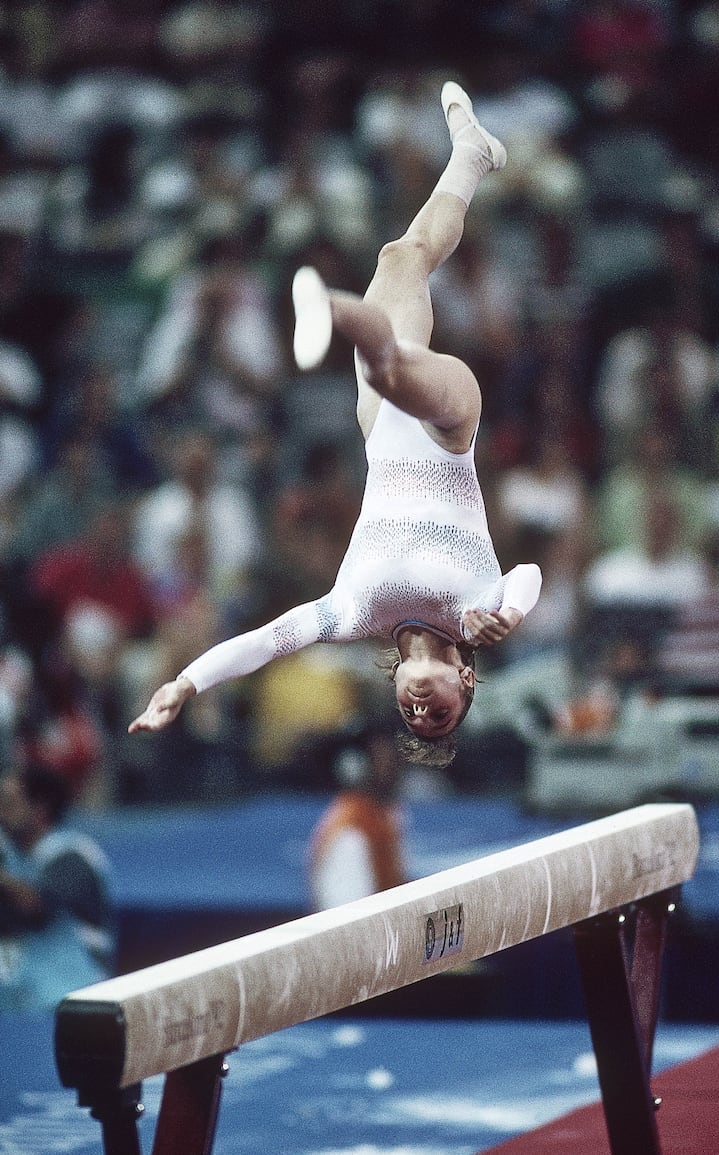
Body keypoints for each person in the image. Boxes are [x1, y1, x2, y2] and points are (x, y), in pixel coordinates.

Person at [129, 82, 542, 765]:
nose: (420, 710)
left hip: (380, 430)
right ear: (467, 679)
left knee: (398, 259)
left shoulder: (356, 613)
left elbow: (267, 639)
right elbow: (527, 570)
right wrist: (512, 614)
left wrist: (184, 681)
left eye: (412, 716)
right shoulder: (479, 608)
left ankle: (470, 156)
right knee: (393, 364)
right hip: (448, 429)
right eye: (439, 716)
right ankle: (327, 303)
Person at [0, 761, 114, 1012]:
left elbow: (37, 907)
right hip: (17, 1011)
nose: (1, 812)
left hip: (75, 1006)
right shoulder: (9, 857)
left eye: (8, 803)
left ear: (41, 808)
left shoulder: (74, 855)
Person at [307, 716, 407, 911]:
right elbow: (346, 919)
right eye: (382, 760)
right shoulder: (350, 835)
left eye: (394, 759)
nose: (393, 768)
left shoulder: (388, 814)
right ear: (358, 767)